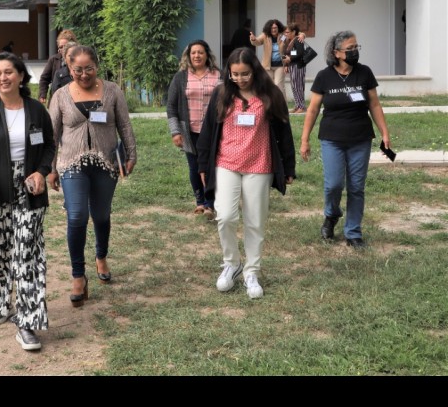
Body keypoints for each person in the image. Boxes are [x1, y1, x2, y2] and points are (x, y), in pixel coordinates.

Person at [0, 52, 56, 352]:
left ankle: (27, 322)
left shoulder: (36, 109)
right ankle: (4, 301)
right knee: (1, 249)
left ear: (20, 76)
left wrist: (42, 171)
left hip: (29, 189)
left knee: (27, 253)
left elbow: (49, 145)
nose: (3, 78)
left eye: (8, 72)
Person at [197, 48, 296, 299]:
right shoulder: (222, 94)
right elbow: (208, 130)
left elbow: (284, 131)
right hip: (226, 163)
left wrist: (289, 166)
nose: (240, 79)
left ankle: (252, 271)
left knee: (255, 221)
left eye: (245, 74)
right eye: (235, 74)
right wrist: (203, 165)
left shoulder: (270, 94)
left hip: (259, 165)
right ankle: (232, 264)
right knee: (225, 217)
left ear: (255, 71)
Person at [47, 45, 137, 307]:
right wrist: (50, 168)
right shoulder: (60, 95)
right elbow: (52, 134)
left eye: (89, 69)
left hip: (105, 162)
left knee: (101, 215)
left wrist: (131, 155)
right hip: (72, 164)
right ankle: (78, 275)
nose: (84, 74)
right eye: (78, 70)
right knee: (76, 215)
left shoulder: (112, 91)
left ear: (97, 67)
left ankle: (101, 256)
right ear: (69, 67)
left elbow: (124, 125)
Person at [299, 31, 391, 249]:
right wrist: (305, 139)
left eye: (356, 47)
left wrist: (385, 133)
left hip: (360, 139)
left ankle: (353, 232)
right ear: (336, 53)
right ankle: (331, 215)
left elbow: (374, 104)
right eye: (350, 49)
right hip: (332, 139)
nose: (354, 52)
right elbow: (313, 110)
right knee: (334, 185)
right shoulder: (324, 76)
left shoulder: (364, 73)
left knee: (356, 187)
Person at [166, 40, 222, 218]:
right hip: (189, 131)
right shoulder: (180, 77)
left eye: (200, 52)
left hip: (214, 131)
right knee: (194, 167)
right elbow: (171, 106)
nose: (197, 55)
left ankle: (210, 203)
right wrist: (175, 131)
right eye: (193, 53)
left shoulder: (218, 75)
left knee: (212, 167)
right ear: (188, 56)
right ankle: (200, 202)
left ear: (207, 55)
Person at [250, 18, 288, 100]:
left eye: (275, 28)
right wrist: (253, 39)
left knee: (278, 85)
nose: (273, 30)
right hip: (267, 66)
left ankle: (282, 104)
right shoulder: (265, 36)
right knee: (268, 86)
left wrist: (302, 35)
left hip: (280, 65)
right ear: (268, 28)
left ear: (278, 28)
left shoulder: (282, 36)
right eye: (272, 28)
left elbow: (294, 33)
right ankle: (271, 104)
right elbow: (257, 42)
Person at [38, 29, 77, 104]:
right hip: (56, 99)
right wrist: (43, 94)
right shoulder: (54, 60)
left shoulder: (80, 60)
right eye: (60, 47)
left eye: (65, 46)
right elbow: (44, 79)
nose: (63, 49)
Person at [282, 23, 307, 113]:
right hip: (292, 65)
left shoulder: (297, 39)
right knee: (294, 86)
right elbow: (288, 53)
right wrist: (286, 65)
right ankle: (297, 105)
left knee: (298, 86)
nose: (286, 34)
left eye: (288, 32)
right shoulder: (289, 41)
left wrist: (290, 58)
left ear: (293, 32)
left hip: (298, 65)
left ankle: (301, 106)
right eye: (285, 32)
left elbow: (300, 52)